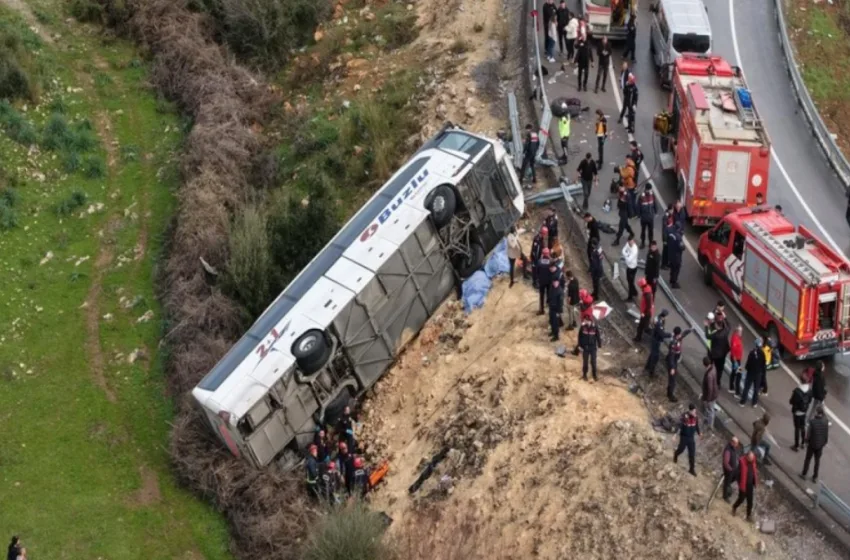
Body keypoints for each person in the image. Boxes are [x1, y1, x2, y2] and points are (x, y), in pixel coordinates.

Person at [801, 406, 829, 483]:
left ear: (817, 412)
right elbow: (826, 434)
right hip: (820, 445)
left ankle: (804, 474)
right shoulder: (825, 421)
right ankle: (815, 477)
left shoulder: (812, 422)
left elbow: (808, 434)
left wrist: (806, 442)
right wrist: (824, 443)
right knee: (817, 461)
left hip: (812, 444)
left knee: (808, 459)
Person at [673, 404, 701, 476]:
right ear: (690, 411)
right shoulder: (685, 416)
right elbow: (679, 426)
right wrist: (675, 435)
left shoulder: (696, 417)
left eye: (695, 411)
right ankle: (676, 454)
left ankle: (691, 469)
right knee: (681, 449)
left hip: (691, 437)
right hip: (684, 437)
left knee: (692, 454)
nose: (695, 413)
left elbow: (696, 426)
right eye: (693, 411)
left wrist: (699, 433)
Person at [732, 451, 759, 522]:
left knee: (750, 501)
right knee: (741, 499)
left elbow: (754, 472)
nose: (751, 460)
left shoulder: (753, 462)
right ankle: (734, 507)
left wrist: (755, 481)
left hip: (750, 485)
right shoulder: (742, 462)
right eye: (750, 458)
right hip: (743, 485)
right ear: (747, 457)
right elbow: (737, 474)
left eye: (752, 458)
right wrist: (739, 483)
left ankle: (748, 516)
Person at [666, 326, 691, 402]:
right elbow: (671, 356)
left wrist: (690, 330)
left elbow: (684, 334)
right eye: (680, 334)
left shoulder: (678, 338)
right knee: (672, 380)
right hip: (672, 362)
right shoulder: (673, 343)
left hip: (675, 360)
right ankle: (670, 395)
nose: (681, 335)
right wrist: (672, 367)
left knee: (672, 379)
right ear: (677, 334)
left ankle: (669, 391)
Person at [740, 339, 766, 407]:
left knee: (747, 387)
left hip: (750, 373)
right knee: (756, 389)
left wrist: (748, 369)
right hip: (758, 374)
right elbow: (763, 365)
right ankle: (754, 403)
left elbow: (748, 363)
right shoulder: (762, 353)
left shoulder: (752, 353)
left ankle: (742, 402)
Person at [644, 309, 670, 376]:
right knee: (655, 356)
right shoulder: (659, 323)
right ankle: (651, 372)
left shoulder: (658, 318)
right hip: (656, 339)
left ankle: (647, 366)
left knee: (652, 354)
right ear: (665, 316)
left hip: (654, 337)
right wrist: (670, 335)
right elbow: (662, 334)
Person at [790, 378, 812, 452]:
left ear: (801, 381)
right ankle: (803, 443)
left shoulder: (797, 391)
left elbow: (791, 401)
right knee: (803, 427)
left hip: (797, 412)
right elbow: (810, 401)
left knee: (797, 429)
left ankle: (796, 445)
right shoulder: (809, 390)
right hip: (804, 411)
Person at [578, 315, 602, 381]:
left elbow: (598, 336)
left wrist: (599, 345)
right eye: (585, 320)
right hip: (585, 347)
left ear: (590, 321)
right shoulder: (583, 327)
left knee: (593, 362)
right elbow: (579, 336)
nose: (585, 322)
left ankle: (594, 375)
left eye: (586, 321)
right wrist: (579, 345)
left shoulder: (594, 327)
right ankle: (584, 375)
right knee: (585, 362)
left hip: (593, 348)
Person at [709, 318, 730, 389]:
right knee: (720, 370)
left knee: (713, 368)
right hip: (722, 354)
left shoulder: (715, 335)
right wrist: (725, 318)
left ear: (718, 326)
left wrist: (708, 325)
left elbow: (708, 336)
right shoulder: (725, 332)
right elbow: (729, 326)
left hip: (715, 355)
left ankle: (712, 381)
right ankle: (717, 382)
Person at [807, 360, 827, 427]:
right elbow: (820, 388)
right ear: (821, 367)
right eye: (823, 365)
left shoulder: (816, 374)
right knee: (822, 408)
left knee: (814, 407)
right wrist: (822, 397)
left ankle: (808, 420)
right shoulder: (820, 377)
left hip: (816, 395)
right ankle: (826, 420)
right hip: (819, 396)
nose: (824, 366)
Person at [701, 356, 718, 431]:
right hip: (714, 393)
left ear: (704, 364)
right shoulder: (713, 368)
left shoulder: (709, 375)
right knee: (710, 409)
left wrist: (708, 399)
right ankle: (708, 421)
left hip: (710, 396)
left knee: (710, 410)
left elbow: (710, 388)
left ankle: (710, 425)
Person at [722, 436, 741, 503]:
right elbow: (726, 462)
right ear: (732, 442)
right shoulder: (728, 450)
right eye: (736, 443)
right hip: (728, 470)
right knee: (726, 482)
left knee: (736, 476)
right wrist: (730, 469)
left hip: (733, 469)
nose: (737, 445)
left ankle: (728, 487)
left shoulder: (733, 449)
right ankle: (725, 496)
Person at [638, 184, 657, 248]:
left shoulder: (652, 195)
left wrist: (656, 211)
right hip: (644, 217)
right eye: (649, 190)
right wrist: (639, 215)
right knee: (643, 231)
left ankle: (650, 243)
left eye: (650, 190)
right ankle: (642, 243)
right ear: (646, 189)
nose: (650, 191)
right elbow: (638, 206)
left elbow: (655, 203)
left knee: (650, 231)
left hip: (650, 217)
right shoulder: (641, 196)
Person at [635, 277, 653, 342]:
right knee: (642, 326)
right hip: (646, 312)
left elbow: (648, 306)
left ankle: (654, 335)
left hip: (646, 313)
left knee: (644, 327)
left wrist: (643, 313)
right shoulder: (647, 290)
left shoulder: (647, 294)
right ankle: (638, 338)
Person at [622, 235, 639, 301]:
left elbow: (629, 259)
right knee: (630, 281)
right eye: (629, 242)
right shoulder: (627, 244)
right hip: (629, 266)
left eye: (631, 241)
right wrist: (627, 255)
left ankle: (630, 297)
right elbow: (623, 251)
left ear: (633, 241)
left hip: (633, 267)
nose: (630, 243)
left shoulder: (635, 249)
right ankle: (635, 292)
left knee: (630, 283)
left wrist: (626, 255)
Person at [537, 247, 553, 315]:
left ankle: (542, 310)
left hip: (542, 281)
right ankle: (549, 306)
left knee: (541, 295)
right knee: (549, 294)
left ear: (542, 254)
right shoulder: (551, 262)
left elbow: (537, 271)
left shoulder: (539, 261)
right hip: (549, 281)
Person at [667, 223, 684, 289]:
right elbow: (682, 247)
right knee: (676, 269)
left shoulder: (671, 234)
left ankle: (671, 279)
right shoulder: (678, 237)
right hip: (677, 256)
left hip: (671, 254)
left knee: (672, 268)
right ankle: (674, 282)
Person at [729, 325, 744, 395]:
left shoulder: (737, 337)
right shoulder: (735, 338)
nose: (741, 333)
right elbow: (733, 350)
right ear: (737, 331)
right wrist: (735, 361)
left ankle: (731, 387)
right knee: (739, 374)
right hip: (736, 360)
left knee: (734, 373)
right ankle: (737, 392)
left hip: (737, 359)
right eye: (741, 331)